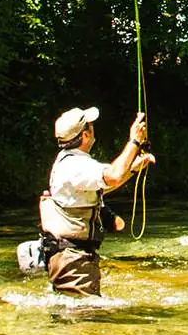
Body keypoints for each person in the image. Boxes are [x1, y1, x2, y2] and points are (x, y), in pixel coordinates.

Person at [37, 106, 154, 296]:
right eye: (90, 125)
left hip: (69, 256)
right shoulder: (76, 166)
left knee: (76, 314)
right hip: (72, 259)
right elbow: (113, 175)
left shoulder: (69, 162)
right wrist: (134, 140)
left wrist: (133, 168)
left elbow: (102, 185)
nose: (93, 128)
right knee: (84, 319)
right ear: (84, 135)